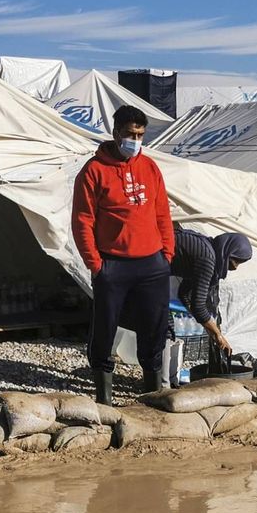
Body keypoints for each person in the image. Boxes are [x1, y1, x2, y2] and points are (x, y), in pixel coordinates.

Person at [72, 105, 174, 404]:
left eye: (140, 135)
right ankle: (105, 399)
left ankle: (152, 395)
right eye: (130, 134)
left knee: (153, 330)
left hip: (152, 263)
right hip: (113, 264)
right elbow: (82, 220)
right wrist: (96, 264)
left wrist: (166, 253)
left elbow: (162, 213)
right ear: (116, 133)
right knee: (105, 330)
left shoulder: (150, 167)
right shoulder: (94, 171)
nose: (136, 140)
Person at [171, 228, 253, 356]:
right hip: (143, 265)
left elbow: (184, 293)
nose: (236, 267)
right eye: (235, 261)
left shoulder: (208, 250)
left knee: (163, 327)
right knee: (163, 327)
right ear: (227, 252)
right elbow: (198, 306)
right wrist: (217, 335)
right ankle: (159, 374)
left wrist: (204, 322)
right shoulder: (207, 259)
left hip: (150, 267)